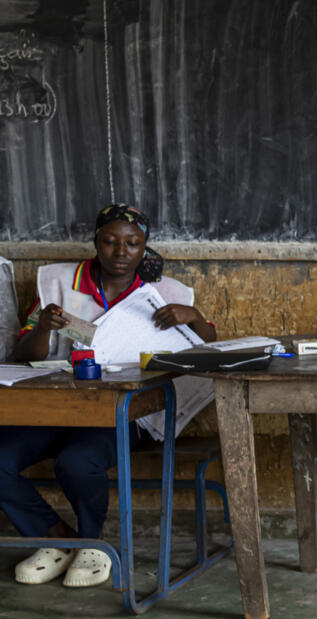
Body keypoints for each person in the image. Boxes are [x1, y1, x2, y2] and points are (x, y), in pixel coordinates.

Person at [2, 204, 217, 587]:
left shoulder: (165, 292)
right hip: (57, 408)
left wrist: (195, 317)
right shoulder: (59, 284)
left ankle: (92, 543)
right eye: (110, 241)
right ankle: (57, 538)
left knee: (76, 462)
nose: (120, 251)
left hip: (127, 412)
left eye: (132, 243)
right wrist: (44, 328)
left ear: (144, 247)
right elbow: (23, 355)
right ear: (96, 242)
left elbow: (208, 349)